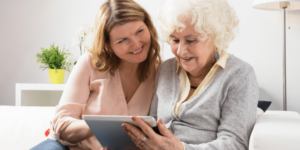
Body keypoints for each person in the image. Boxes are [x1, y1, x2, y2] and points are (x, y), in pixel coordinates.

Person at [122, 0, 259, 149]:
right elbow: (153, 124)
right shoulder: (166, 68)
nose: (180, 51)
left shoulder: (240, 74)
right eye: (175, 40)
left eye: (191, 40)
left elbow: (235, 144)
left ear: (215, 37)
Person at [31, 0, 162, 149]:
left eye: (139, 31)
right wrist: (101, 127)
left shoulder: (159, 73)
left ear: (148, 26)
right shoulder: (90, 63)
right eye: (123, 40)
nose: (136, 44)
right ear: (108, 44)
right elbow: (62, 125)